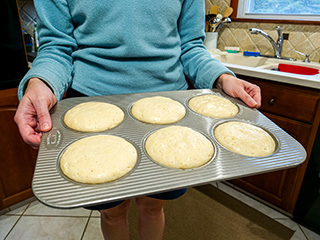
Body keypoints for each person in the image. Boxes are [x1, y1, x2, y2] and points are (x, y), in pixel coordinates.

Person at [14, 1, 261, 239]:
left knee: (153, 207)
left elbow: (191, 47)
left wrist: (220, 78)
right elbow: (57, 47)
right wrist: (41, 82)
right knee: (112, 213)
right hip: (91, 106)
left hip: (168, 107)